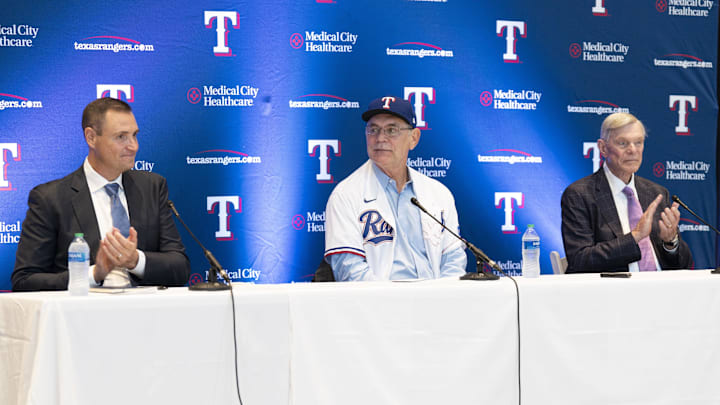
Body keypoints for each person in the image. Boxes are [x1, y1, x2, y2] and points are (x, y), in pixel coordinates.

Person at [12, 98, 191, 291]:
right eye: (121, 137)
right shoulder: (50, 199)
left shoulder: (152, 188)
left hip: (146, 314)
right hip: (82, 317)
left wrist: (135, 260)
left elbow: (179, 268)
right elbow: (25, 280)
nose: (133, 146)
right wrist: (94, 273)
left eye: (134, 135)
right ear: (91, 137)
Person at [324, 96, 467, 281]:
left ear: (413, 138)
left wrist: (440, 301)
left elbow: (453, 261)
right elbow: (350, 271)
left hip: (435, 302)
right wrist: (396, 304)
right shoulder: (345, 195)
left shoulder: (439, 194)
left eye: (392, 130)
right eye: (373, 130)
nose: (380, 138)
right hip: (377, 306)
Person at [561, 112, 692, 273]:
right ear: (603, 148)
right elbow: (580, 259)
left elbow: (683, 265)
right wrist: (635, 236)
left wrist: (670, 241)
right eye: (623, 143)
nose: (633, 150)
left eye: (638, 143)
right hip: (611, 293)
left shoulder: (656, 193)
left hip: (660, 290)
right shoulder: (580, 195)